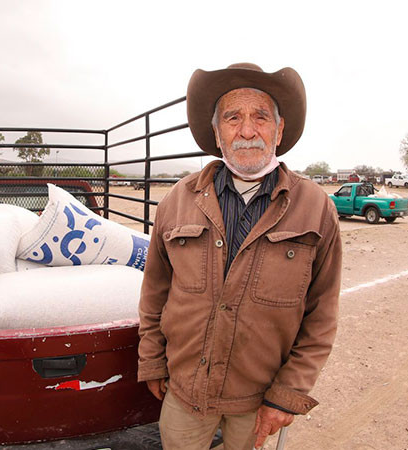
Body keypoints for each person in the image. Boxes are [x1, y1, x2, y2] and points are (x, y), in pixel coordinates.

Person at [137, 63, 342, 449]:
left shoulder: (315, 208)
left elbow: (322, 315)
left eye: (261, 117)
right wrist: (152, 361)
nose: (247, 130)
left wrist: (287, 394)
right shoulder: (176, 202)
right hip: (184, 394)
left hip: (260, 402)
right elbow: (154, 294)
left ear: (279, 130)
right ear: (217, 132)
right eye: (233, 117)